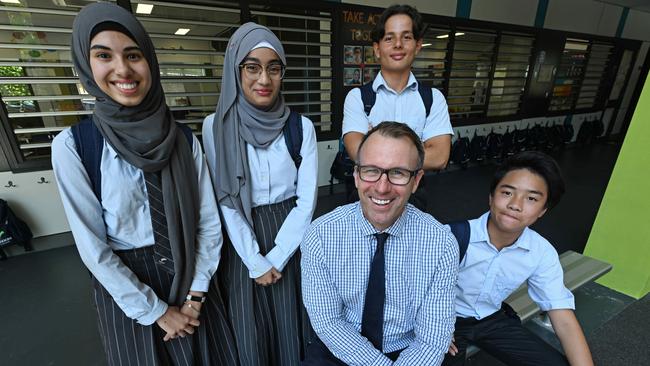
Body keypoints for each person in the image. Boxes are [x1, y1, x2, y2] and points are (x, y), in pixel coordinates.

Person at [52, 2, 238, 365]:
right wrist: (155, 311)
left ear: (150, 62)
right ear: (85, 66)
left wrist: (195, 296)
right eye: (104, 55)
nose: (123, 69)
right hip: (128, 289)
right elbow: (94, 249)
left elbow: (208, 223)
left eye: (133, 55)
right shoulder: (75, 146)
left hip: (193, 277)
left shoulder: (183, 139)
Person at [202, 22, 318, 366]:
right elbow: (224, 198)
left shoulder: (300, 127)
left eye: (273, 68)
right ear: (234, 71)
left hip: (291, 237)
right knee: (250, 332)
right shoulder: (215, 127)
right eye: (251, 68)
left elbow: (307, 201)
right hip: (241, 239)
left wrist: (278, 256)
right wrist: (255, 261)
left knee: (291, 325)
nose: (263, 80)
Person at [301, 122, 458, 365]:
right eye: (371, 170)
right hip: (341, 345)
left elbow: (432, 337)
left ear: (416, 181)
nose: (382, 187)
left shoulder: (441, 243)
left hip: (408, 349)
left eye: (398, 173)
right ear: (356, 175)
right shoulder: (321, 235)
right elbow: (329, 322)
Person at [443, 151, 594, 366]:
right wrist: (433, 326)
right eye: (507, 193)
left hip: (491, 318)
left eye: (531, 198)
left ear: (543, 210)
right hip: (445, 317)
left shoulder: (540, 251)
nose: (516, 204)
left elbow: (564, 320)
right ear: (491, 196)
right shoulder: (450, 236)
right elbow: (410, 287)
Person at [341, 4, 453, 211]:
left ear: (418, 45)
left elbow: (440, 157)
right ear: (377, 48)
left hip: (414, 194)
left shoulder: (433, 99)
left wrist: (374, 149)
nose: (398, 44)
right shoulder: (358, 98)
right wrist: (417, 150)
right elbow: (357, 152)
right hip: (367, 191)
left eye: (407, 37)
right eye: (389, 38)